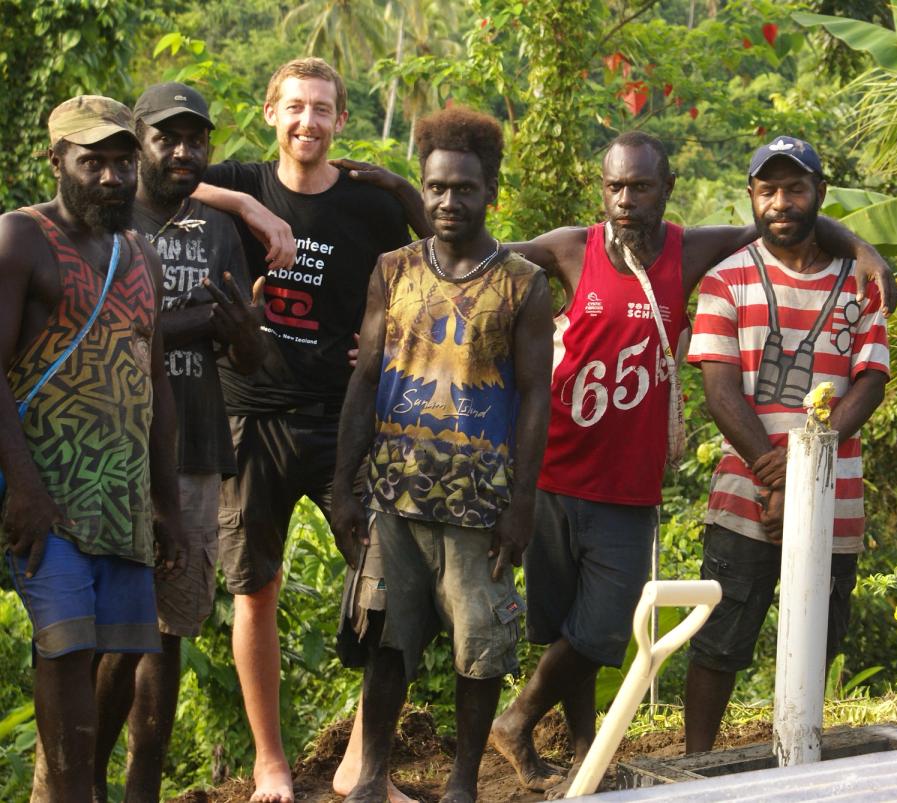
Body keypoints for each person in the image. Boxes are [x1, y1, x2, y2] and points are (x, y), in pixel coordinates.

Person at [338, 130, 897, 793]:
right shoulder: (571, 247)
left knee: (602, 628)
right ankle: (584, 751)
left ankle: (516, 721)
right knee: (566, 621)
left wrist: (861, 250)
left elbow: (780, 214)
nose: (625, 201)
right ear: (601, 189)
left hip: (630, 481)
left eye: (639, 187)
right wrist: (409, 202)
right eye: (614, 187)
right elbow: (474, 252)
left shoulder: (691, 250)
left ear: (666, 191)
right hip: (555, 469)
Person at [190, 57, 430, 803]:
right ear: (270, 112)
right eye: (295, 107)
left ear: (340, 121)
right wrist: (252, 209)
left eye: (322, 109)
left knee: (395, 584)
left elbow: (440, 259)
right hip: (251, 417)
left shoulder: (369, 206)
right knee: (254, 590)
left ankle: (365, 762)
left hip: (345, 420)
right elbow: (151, 175)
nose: (308, 122)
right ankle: (271, 764)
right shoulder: (240, 188)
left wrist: (391, 336)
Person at [330, 106, 552, 803]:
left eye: (465, 188)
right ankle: (369, 778)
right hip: (394, 497)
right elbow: (364, 379)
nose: (449, 201)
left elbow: (537, 396)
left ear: (491, 190)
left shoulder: (522, 283)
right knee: (387, 645)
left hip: (479, 505)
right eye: (436, 188)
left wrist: (521, 505)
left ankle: (462, 786)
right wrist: (344, 487)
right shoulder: (392, 269)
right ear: (422, 189)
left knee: (477, 651)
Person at [0, 95, 183, 802]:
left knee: (125, 644)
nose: (110, 177)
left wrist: (164, 501)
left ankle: (74, 789)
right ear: (56, 161)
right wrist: (23, 486)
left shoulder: (139, 256)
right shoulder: (21, 239)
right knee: (66, 642)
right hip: (48, 487)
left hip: (122, 492)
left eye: (120, 161)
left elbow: (157, 383)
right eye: (92, 161)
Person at [87, 82, 265, 803]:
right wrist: (198, 320)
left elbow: (247, 353)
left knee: (169, 630)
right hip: (114, 451)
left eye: (197, 140)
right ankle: (81, 781)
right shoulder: (106, 218)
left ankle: (143, 788)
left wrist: (244, 334)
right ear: (140, 140)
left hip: (196, 449)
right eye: (168, 138)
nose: (184, 152)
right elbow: (115, 327)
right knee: (113, 627)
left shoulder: (219, 231)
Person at [683, 136, 889, 752]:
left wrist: (805, 475)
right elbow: (721, 393)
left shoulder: (860, 280)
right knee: (721, 638)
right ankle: (695, 765)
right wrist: (781, 481)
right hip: (746, 490)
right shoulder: (725, 281)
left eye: (795, 188)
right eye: (767, 190)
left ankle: (801, 759)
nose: (781, 202)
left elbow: (870, 381)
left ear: (819, 194)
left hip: (834, 494)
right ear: (751, 197)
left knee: (818, 636)